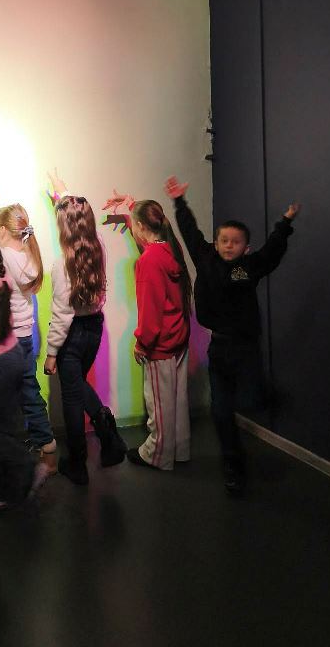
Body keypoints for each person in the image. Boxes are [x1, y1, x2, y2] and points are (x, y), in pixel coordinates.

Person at [164, 175, 300, 495]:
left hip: (246, 347)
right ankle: (233, 465)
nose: (228, 245)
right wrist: (180, 202)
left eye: (235, 242)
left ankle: (263, 395)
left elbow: (272, 251)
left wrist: (285, 223)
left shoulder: (249, 267)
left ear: (245, 247)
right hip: (220, 347)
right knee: (220, 411)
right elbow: (189, 232)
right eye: (224, 240)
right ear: (216, 243)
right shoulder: (205, 258)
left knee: (251, 401)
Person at [43, 172, 127, 485]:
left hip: (72, 333)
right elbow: (78, 212)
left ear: (62, 227)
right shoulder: (98, 246)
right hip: (94, 328)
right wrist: (62, 192)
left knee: (72, 398)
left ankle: (77, 464)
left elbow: (62, 314)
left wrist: (52, 353)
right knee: (78, 386)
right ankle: (107, 432)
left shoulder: (61, 264)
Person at [126, 198, 193, 470]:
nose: (132, 229)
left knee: (159, 405)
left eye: (133, 225)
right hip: (179, 338)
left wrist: (142, 343)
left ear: (141, 226)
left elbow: (150, 310)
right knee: (178, 401)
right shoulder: (170, 250)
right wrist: (131, 205)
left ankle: (156, 454)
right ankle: (179, 450)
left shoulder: (149, 260)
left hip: (160, 344)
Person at [0, 203, 57, 483]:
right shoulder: (29, 253)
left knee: (5, 399)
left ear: (3, 229)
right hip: (26, 334)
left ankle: (20, 458)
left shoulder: (5, 254)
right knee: (30, 391)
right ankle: (47, 450)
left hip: (9, 338)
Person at [0, 241, 35, 510]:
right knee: (10, 420)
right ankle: (5, 490)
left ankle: (25, 469)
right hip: (13, 352)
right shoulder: (3, 280)